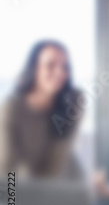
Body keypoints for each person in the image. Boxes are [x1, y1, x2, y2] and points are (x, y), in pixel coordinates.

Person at [0, 40, 83, 178]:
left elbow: (57, 160)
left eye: (65, 67)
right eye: (51, 65)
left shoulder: (72, 102)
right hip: (18, 188)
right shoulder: (10, 108)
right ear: (34, 68)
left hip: (62, 186)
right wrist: (13, 199)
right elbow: (7, 166)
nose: (60, 72)